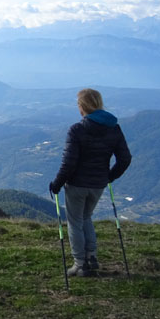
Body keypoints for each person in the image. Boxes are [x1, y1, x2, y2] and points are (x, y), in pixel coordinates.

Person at [49, 88, 132, 277]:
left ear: (82, 106)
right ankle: (91, 257)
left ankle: (80, 264)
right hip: (98, 185)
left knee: (75, 222)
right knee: (86, 218)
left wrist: (57, 184)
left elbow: (68, 163)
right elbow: (125, 158)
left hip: (77, 185)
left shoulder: (77, 130)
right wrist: (110, 176)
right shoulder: (114, 128)